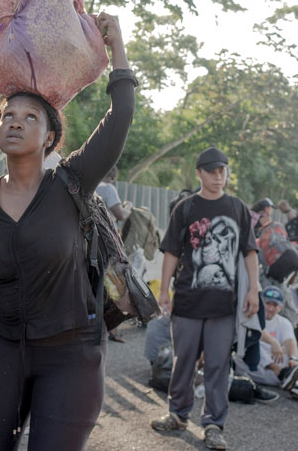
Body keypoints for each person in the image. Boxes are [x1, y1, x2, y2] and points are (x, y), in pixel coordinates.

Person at [0, 12, 134, 450]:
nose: (16, 122)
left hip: (72, 352)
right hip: (3, 345)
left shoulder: (71, 181)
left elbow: (120, 118)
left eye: (30, 117)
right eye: (8, 115)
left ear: (49, 138)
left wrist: (117, 47)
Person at [150, 146, 260, 450]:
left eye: (222, 170)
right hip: (187, 300)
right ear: (199, 173)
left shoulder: (238, 208)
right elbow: (172, 251)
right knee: (182, 361)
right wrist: (164, 290)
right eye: (212, 171)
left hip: (223, 306)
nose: (218, 176)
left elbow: (250, 252)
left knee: (217, 366)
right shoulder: (184, 208)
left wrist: (254, 290)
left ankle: (213, 425)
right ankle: (177, 414)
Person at [95, 165, 132, 343]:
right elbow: (120, 214)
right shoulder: (108, 188)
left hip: (90, 242)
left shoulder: (90, 185)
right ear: (113, 176)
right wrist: (128, 208)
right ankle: (113, 330)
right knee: (114, 285)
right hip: (107, 243)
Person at [245, 286, 298, 389]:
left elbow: (290, 341)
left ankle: (289, 376)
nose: (270, 308)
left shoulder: (284, 322)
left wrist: (294, 359)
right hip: (255, 366)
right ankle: (285, 375)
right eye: (268, 303)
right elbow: (256, 331)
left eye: (275, 305)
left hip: (275, 367)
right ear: (261, 302)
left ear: (281, 307)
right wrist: (273, 342)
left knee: (288, 354)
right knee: (253, 343)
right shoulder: (251, 316)